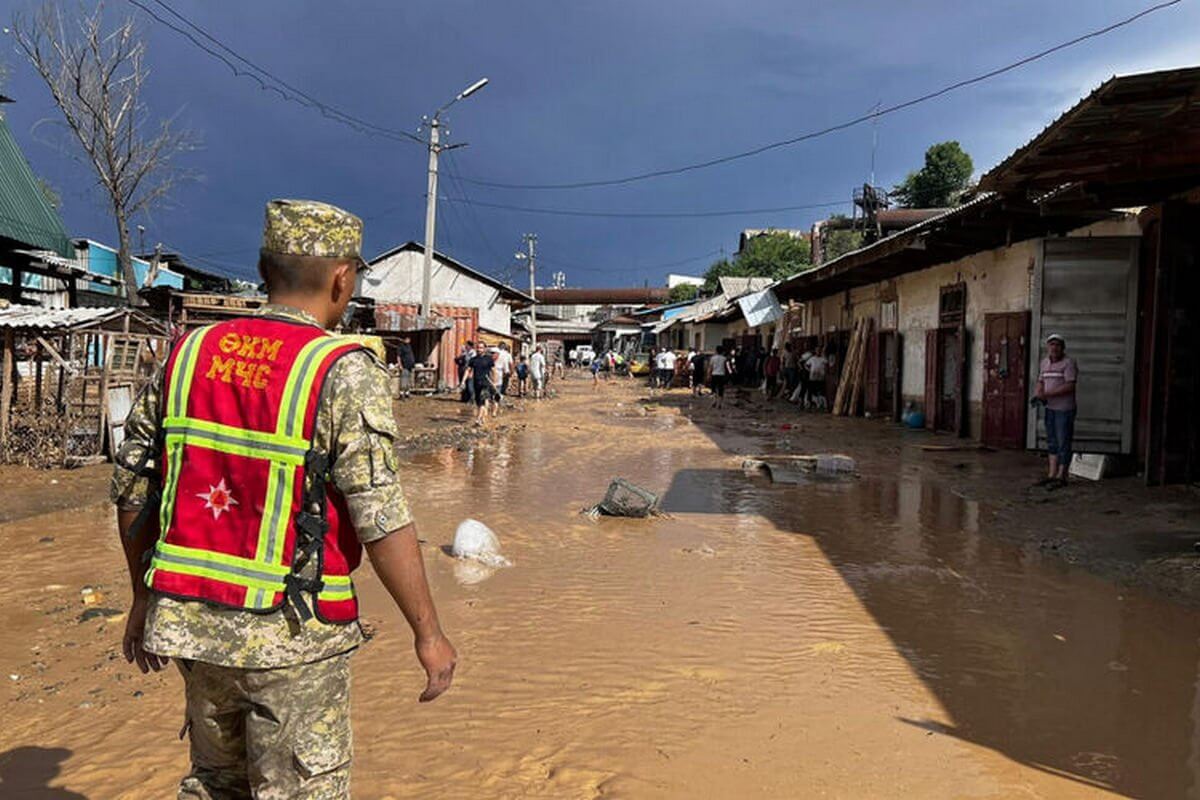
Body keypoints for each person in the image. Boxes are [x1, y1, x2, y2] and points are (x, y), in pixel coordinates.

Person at [110, 199, 456, 800]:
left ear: (264, 270)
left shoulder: (188, 354)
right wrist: (428, 633)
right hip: (295, 636)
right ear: (342, 279)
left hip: (192, 626)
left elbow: (133, 486)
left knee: (216, 784)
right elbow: (380, 519)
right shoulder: (342, 371)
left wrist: (143, 598)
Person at [1034, 333, 1078, 489]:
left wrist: (1048, 394)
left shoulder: (1069, 363)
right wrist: (1038, 392)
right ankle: (1051, 474)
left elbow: (1070, 385)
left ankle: (1062, 475)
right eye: (1051, 344)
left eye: (1057, 345)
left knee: (1063, 441)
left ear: (1063, 348)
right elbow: (1040, 381)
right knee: (1051, 441)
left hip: (1064, 409)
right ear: (1048, 347)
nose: (1054, 348)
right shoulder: (1044, 363)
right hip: (1050, 408)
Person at [466, 345, 497, 424]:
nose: (479, 349)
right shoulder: (473, 360)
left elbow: (493, 371)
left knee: (482, 400)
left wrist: (494, 382)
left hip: (486, 383)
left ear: (484, 349)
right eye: (478, 348)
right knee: (479, 402)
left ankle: (478, 418)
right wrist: (463, 381)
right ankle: (483, 417)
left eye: (481, 348)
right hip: (476, 383)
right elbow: (468, 370)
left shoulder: (489, 359)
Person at [708, 345, 730, 409]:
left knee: (714, 389)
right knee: (721, 389)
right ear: (722, 351)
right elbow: (727, 368)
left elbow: (710, 367)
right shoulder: (724, 358)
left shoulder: (713, 358)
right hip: (721, 375)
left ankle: (714, 401)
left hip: (714, 374)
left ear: (716, 351)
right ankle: (720, 403)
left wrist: (708, 375)